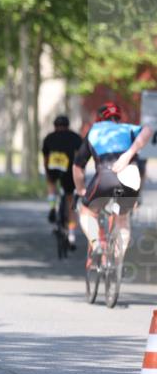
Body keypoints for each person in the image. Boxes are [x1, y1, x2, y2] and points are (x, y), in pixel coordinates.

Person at [72, 101, 154, 268]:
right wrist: (129, 154)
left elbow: (77, 166)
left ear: (100, 118)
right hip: (130, 176)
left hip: (106, 176)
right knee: (122, 220)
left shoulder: (94, 131)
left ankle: (96, 245)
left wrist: (81, 189)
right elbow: (149, 130)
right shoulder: (128, 128)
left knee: (86, 211)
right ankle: (117, 263)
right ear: (118, 117)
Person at [42, 115, 82, 248]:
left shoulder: (49, 137)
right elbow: (80, 157)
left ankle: (52, 206)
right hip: (69, 169)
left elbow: (45, 157)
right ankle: (71, 236)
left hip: (53, 166)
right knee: (71, 200)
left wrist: (48, 173)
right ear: (68, 125)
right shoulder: (75, 137)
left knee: (51, 183)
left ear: (54, 126)